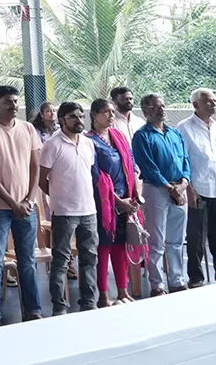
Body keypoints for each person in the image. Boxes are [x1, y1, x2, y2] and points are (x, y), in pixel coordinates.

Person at [0, 85, 42, 326]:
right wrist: (13, 203)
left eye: (15, 101)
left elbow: (35, 167)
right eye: (7, 102)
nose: (13, 105)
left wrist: (29, 200)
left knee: (28, 260)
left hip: (26, 207)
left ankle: (33, 310)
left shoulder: (28, 128)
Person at [38, 102, 98, 315]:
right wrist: (58, 197)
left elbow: (87, 173)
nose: (79, 120)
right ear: (62, 119)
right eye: (73, 116)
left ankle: (89, 303)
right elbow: (42, 179)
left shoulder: (88, 143)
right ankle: (59, 306)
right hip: (64, 212)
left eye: (81, 116)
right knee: (61, 261)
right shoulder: (52, 145)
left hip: (89, 210)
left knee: (89, 258)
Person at [132, 93, 190, 296]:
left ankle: (177, 280)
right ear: (146, 111)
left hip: (180, 189)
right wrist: (169, 188)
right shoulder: (142, 136)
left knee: (177, 240)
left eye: (163, 106)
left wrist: (184, 183)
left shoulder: (174, 133)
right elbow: (148, 166)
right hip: (157, 190)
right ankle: (157, 284)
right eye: (156, 107)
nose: (161, 109)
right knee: (156, 241)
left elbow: (186, 161)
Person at [86, 98, 142, 307]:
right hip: (104, 204)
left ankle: (123, 291)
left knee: (120, 247)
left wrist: (135, 196)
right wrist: (117, 201)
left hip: (126, 200)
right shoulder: (89, 141)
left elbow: (132, 166)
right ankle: (103, 295)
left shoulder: (118, 136)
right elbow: (96, 176)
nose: (111, 115)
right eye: (106, 112)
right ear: (94, 115)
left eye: (112, 111)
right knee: (104, 248)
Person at [177, 88, 216, 287]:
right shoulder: (184, 127)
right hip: (198, 189)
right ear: (196, 105)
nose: (214, 104)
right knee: (196, 237)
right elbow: (182, 161)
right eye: (209, 101)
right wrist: (189, 189)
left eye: (215, 100)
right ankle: (196, 277)